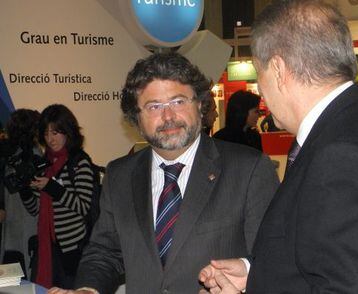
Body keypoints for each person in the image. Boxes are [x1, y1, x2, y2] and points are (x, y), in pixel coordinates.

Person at [199, 1, 358, 293]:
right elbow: (322, 254)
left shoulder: (344, 153)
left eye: (259, 73)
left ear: (277, 69)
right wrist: (256, 274)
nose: (261, 90)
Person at [48, 52, 279, 294]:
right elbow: (106, 251)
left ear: (200, 104)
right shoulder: (120, 175)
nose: (168, 117)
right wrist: (88, 289)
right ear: (136, 118)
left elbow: (273, 259)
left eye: (178, 102)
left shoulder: (249, 169)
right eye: (154, 106)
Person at [19, 104, 94, 289]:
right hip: (47, 248)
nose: (50, 139)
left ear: (67, 131)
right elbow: (35, 210)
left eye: (55, 132)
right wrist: (25, 190)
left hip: (72, 248)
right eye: (46, 133)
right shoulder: (45, 164)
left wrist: (52, 187)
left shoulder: (79, 162)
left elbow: (83, 206)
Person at [0, 109, 40, 278]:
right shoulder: (35, 157)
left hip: (13, 235)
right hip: (27, 233)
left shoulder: (9, 157)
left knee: (12, 286)